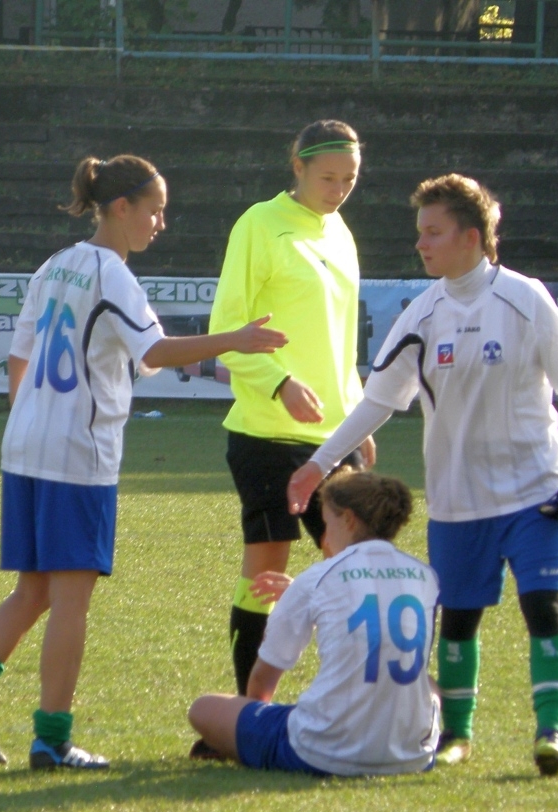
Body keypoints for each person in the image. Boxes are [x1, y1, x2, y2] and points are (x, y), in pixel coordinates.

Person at [0, 154, 287, 771]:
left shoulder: (55, 264)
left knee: (31, 592)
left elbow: (19, 357)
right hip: (77, 454)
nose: (160, 223)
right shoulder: (111, 273)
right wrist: (236, 338)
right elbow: (158, 351)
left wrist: (33, 418)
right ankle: (51, 739)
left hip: (26, 446)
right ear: (121, 207)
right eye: (155, 210)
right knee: (70, 599)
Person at [288, 173, 558, 776]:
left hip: (537, 489)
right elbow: (379, 402)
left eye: (433, 232)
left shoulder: (525, 298)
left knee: (544, 605)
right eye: (420, 232)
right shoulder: (423, 313)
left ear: (471, 238)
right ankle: (457, 735)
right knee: (457, 620)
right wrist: (317, 464)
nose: (421, 244)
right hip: (459, 500)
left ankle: (551, 731)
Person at [207, 119, 375, 699]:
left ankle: (351, 702)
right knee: (265, 571)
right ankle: (251, 711)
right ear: (297, 166)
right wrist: (279, 384)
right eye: (328, 177)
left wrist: (358, 413)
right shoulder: (260, 224)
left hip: (335, 436)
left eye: (349, 178)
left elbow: (341, 339)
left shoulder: (341, 232)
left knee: (356, 566)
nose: (339, 189)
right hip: (266, 435)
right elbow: (228, 328)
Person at [188, 470, 440, 776]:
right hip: (413, 755)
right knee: (427, 682)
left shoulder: (319, 578)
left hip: (323, 752)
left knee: (203, 708)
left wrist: (249, 724)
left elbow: (263, 679)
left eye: (327, 523)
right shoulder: (424, 575)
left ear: (348, 520)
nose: (325, 537)